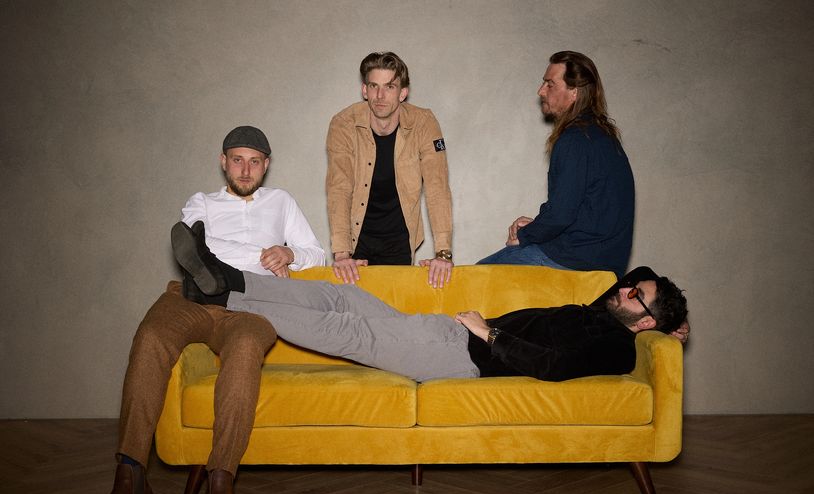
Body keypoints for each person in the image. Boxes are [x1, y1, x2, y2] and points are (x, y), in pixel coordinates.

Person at [80, 126, 325, 494]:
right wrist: (250, 256)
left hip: (250, 301)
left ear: (266, 166)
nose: (245, 169)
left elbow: (315, 253)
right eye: (236, 159)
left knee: (247, 346)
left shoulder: (281, 203)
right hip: (193, 294)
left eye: (254, 161)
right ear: (222, 161)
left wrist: (289, 252)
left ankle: (220, 483)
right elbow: (191, 247)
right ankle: (130, 479)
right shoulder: (202, 203)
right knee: (151, 337)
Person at [171, 222, 689, 384]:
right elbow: (638, 275)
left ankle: (224, 302)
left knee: (353, 333)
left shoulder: (616, 348)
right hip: (452, 332)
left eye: (636, 297)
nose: (625, 289)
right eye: (630, 289)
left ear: (643, 321)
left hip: (463, 356)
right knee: (341, 295)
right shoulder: (607, 311)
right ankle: (227, 278)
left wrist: (489, 334)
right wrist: (665, 315)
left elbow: (555, 366)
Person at [479, 51, 634, 278]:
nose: (540, 91)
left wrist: (523, 236)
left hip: (575, 260)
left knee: (477, 277)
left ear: (574, 91)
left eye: (550, 84)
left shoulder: (575, 139)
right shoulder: (603, 137)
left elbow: (561, 215)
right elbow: (583, 211)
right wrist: (537, 227)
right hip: (606, 261)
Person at [326, 51, 454, 288]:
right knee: (354, 313)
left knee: (394, 312)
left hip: (399, 238)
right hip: (357, 237)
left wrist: (443, 253)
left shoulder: (424, 123)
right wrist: (342, 253)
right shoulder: (343, 124)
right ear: (364, 90)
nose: (380, 95)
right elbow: (339, 188)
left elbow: (437, 186)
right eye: (374, 86)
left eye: (390, 87)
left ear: (403, 93)